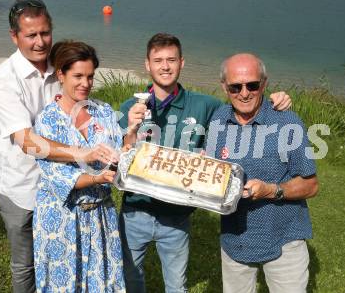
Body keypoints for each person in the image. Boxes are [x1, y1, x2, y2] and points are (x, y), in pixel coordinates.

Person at [119, 33, 292, 293]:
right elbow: (121, 158)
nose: (165, 66)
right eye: (158, 60)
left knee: (177, 285)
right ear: (147, 64)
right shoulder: (129, 106)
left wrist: (274, 100)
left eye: (171, 59)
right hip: (134, 212)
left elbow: (242, 103)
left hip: (176, 216)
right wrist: (130, 129)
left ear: (182, 63)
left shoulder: (204, 105)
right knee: (129, 279)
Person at [0, 0, 117, 293]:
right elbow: (26, 142)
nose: (40, 42)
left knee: (64, 260)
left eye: (45, 33)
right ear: (14, 36)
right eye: (31, 35)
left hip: (69, 188)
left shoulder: (61, 68)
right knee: (25, 267)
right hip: (22, 186)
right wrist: (81, 153)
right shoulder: (4, 79)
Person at [207, 53, 319, 293]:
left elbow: (311, 185)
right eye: (235, 87)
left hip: (283, 238)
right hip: (234, 239)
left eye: (253, 85)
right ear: (224, 87)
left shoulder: (287, 122)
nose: (244, 93)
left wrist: (272, 190)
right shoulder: (218, 120)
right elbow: (212, 172)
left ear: (265, 84)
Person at [33, 40, 125, 292]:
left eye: (90, 76)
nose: (86, 83)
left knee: (102, 283)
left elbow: (120, 153)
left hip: (100, 216)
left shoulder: (103, 112)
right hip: (61, 218)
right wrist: (97, 177)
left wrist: (134, 133)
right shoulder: (47, 120)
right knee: (63, 285)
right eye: (78, 76)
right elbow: (58, 176)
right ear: (60, 74)